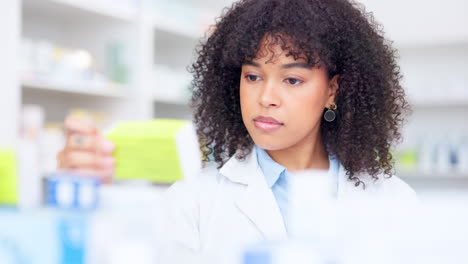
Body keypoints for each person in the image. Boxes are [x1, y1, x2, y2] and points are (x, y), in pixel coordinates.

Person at [57, 0, 417, 261]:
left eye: (292, 79)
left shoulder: (391, 201)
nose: (265, 97)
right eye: (253, 76)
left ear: (333, 90)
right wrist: (85, 200)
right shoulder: (193, 201)